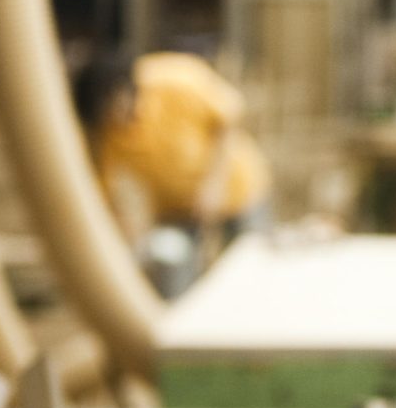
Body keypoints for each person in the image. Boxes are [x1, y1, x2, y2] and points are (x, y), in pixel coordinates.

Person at [77, 50, 270, 297]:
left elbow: (229, 115)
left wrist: (213, 185)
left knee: (249, 274)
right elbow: (106, 192)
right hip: (176, 210)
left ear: (119, 92)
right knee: (175, 285)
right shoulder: (104, 131)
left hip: (237, 191)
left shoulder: (174, 80)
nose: (112, 123)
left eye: (110, 111)